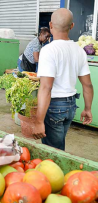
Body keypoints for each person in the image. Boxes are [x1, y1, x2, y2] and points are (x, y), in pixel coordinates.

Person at [33, 8, 94, 151]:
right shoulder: (79, 50)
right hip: (71, 106)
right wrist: (87, 109)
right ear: (72, 26)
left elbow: (46, 87)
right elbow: (88, 85)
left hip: (54, 106)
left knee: (53, 151)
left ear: (51, 25)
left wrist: (39, 121)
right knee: (58, 143)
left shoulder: (49, 50)